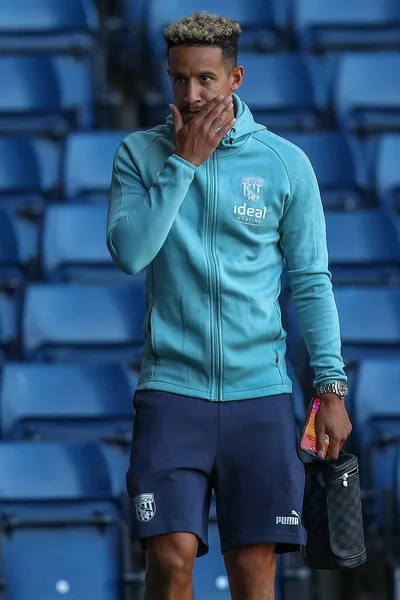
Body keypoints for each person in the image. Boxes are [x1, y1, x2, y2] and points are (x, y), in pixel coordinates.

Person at [107, 11, 352, 600]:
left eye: (206, 81)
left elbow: (311, 282)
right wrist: (184, 164)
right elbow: (130, 253)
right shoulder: (139, 156)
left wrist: (331, 388)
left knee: (253, 572)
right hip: (171, 394)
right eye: (178, 80)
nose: (191, 95)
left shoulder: (285, 163)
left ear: (235, 77)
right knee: (170, 560)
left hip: (259, 398)